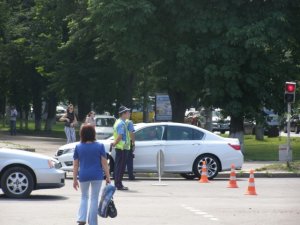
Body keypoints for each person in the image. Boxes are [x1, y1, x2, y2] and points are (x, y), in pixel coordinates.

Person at [73, 124, 111, 225]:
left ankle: (81, 218)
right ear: (93, 133)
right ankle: (93, 222)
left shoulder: (78, 147)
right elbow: (104, 163)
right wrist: (108, 177)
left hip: (83, 175)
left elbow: (75, 165)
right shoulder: (100, 146)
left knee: (84, 196)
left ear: (82, 134)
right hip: (97, 175)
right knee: (94, 198)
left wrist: (74, 180)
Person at [112, 105, 131, 191]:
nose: (129, 114)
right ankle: (118, 184)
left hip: (122, 148)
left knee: (119, 166)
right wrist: (115, 143)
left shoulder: (120, 122)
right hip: (122, 148)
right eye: (127, 112)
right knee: (120, 167)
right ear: (123, 114)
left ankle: (118, 183)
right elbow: (120, 135)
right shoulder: (121, 123)